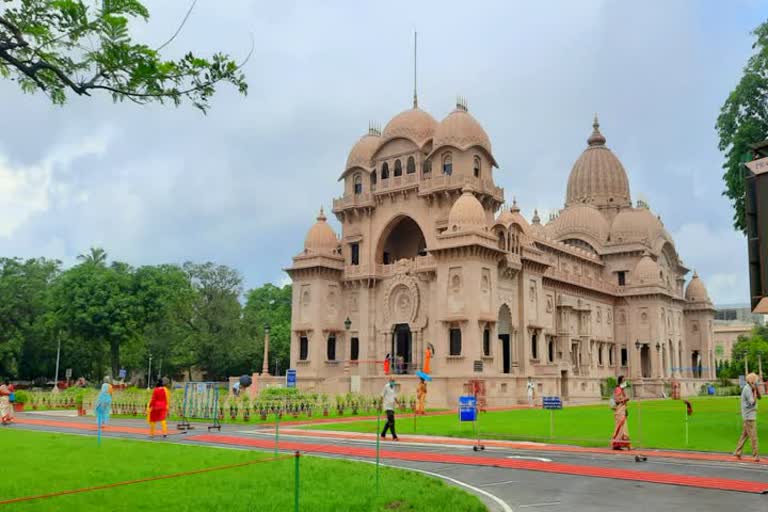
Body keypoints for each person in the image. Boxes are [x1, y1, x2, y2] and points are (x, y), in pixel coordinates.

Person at [734, 372, 760, 462]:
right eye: (756, 380)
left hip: (749, 415)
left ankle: (738, 451)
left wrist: (756, 390)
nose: (757, 382)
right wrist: (755, 393)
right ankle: (755, 455)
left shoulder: (750, 388)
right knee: (753, 436)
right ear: (752, 380)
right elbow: (752, 402)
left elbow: (759, 397)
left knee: (744, 435)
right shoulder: (747, 389)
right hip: (749, 416)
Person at [610, 375, 631, 450]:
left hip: (622, 410)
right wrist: (625, 400)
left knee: (624, 427)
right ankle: (616, 444)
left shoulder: (621, 389)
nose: (625, 382)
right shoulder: (618, 389)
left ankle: (623, 444)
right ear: (621, 382)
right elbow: (617, 401)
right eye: (624, 381)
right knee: (620, 427)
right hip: (619, 410)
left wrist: (626, 409)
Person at [380, 377, 399, 441]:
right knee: (392, 421)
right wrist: (380, 405)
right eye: (392, 381)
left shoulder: (393, 388)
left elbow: (395, 396)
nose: (393, 382)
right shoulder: (386, 386)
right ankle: (394, 437)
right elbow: (382, 395)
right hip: (387, 406)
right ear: (389, 381)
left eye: (394, 381)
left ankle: (383, 434)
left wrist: (399, 404)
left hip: (392, 407)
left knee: (389, 422)